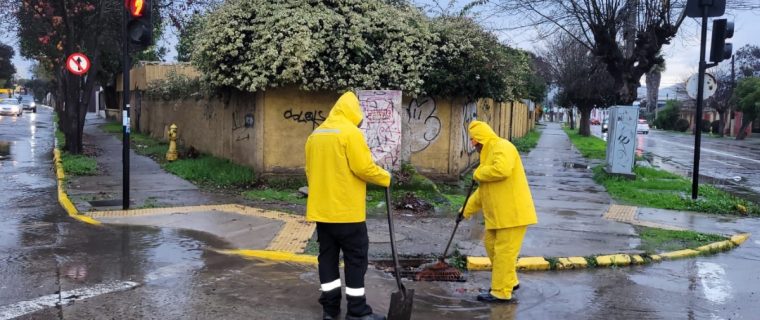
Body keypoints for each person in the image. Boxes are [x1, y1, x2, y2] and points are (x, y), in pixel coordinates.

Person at [305, 91, 390, 320]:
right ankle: (357, 311)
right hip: (347, 213)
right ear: (353, 110)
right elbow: (363, 168)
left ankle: (330, 311)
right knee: (355, 260)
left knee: (328, 260)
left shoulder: (316, 134)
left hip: (322, 213)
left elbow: (309, 172)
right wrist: (385, 177)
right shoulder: (350, 133)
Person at [461, 120, 537, 303]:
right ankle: (510, 281)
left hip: (513, 215)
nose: (473, 145)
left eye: (474, 141)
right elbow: (482, 193)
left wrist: (478, 173)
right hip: (499, 218)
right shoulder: (487, 156)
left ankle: (501, 292)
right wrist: (464, 211)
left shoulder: (503, 146)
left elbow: (502, 170)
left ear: (481, 139)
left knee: (504, 253)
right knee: (490, 245)